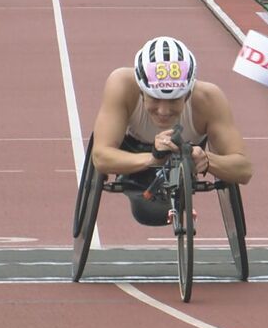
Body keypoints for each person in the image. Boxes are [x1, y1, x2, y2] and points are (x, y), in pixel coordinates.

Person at [91, 36, 252, 226]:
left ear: (188, 94)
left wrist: (207, 160)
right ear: (141, 91)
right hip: (134, 158)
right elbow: (101, 157)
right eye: (154, 99)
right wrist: (153, 158)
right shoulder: (122, 84)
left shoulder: (209, 98)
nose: (163, 111)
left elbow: (244, 169)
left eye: (174, 100)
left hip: (185, 160)